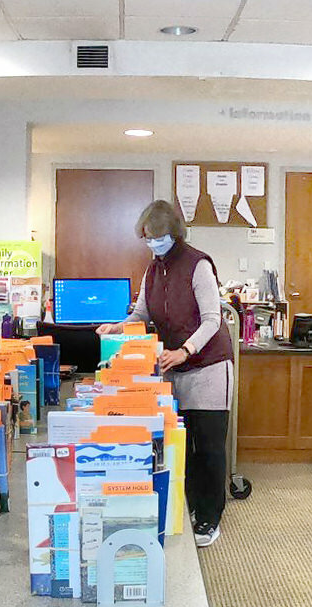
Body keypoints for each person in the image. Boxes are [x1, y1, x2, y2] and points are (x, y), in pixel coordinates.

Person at [96, 200, 234, 548]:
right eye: (147, 238)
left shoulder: (198, 264)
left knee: (209, 445)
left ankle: (209, 516)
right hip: (172, 365)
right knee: (180, 444)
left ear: (174, 233)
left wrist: (186, 350)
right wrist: (117, 328)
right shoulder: (153, 269)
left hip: (208, 366)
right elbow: (141, 311)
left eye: (158, 237)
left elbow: (212, 320)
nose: (152, 243)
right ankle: (189, 505)